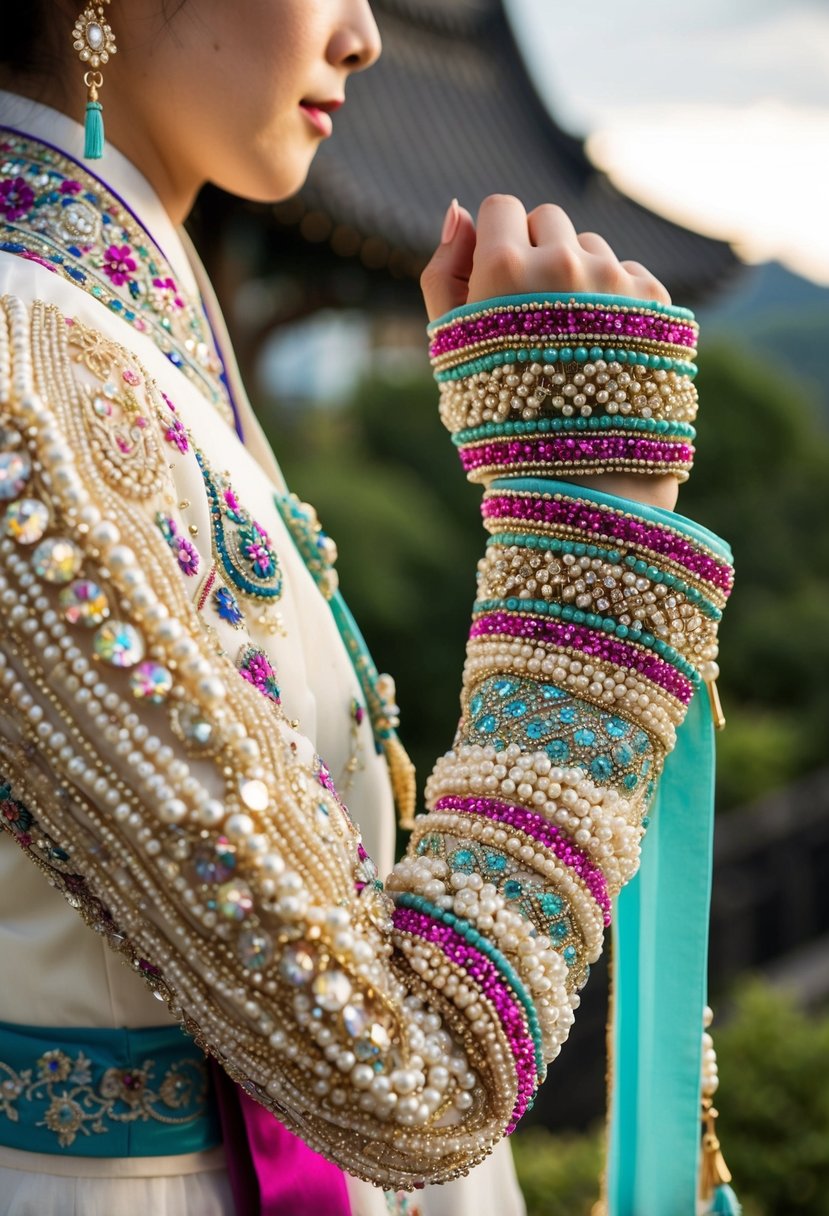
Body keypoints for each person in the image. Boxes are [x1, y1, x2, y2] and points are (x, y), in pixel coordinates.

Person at [0, 1, 737, 1214]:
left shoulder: (123, 324)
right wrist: (589, 565)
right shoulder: (34, 377)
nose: (363, 34)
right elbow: (415, 1078)